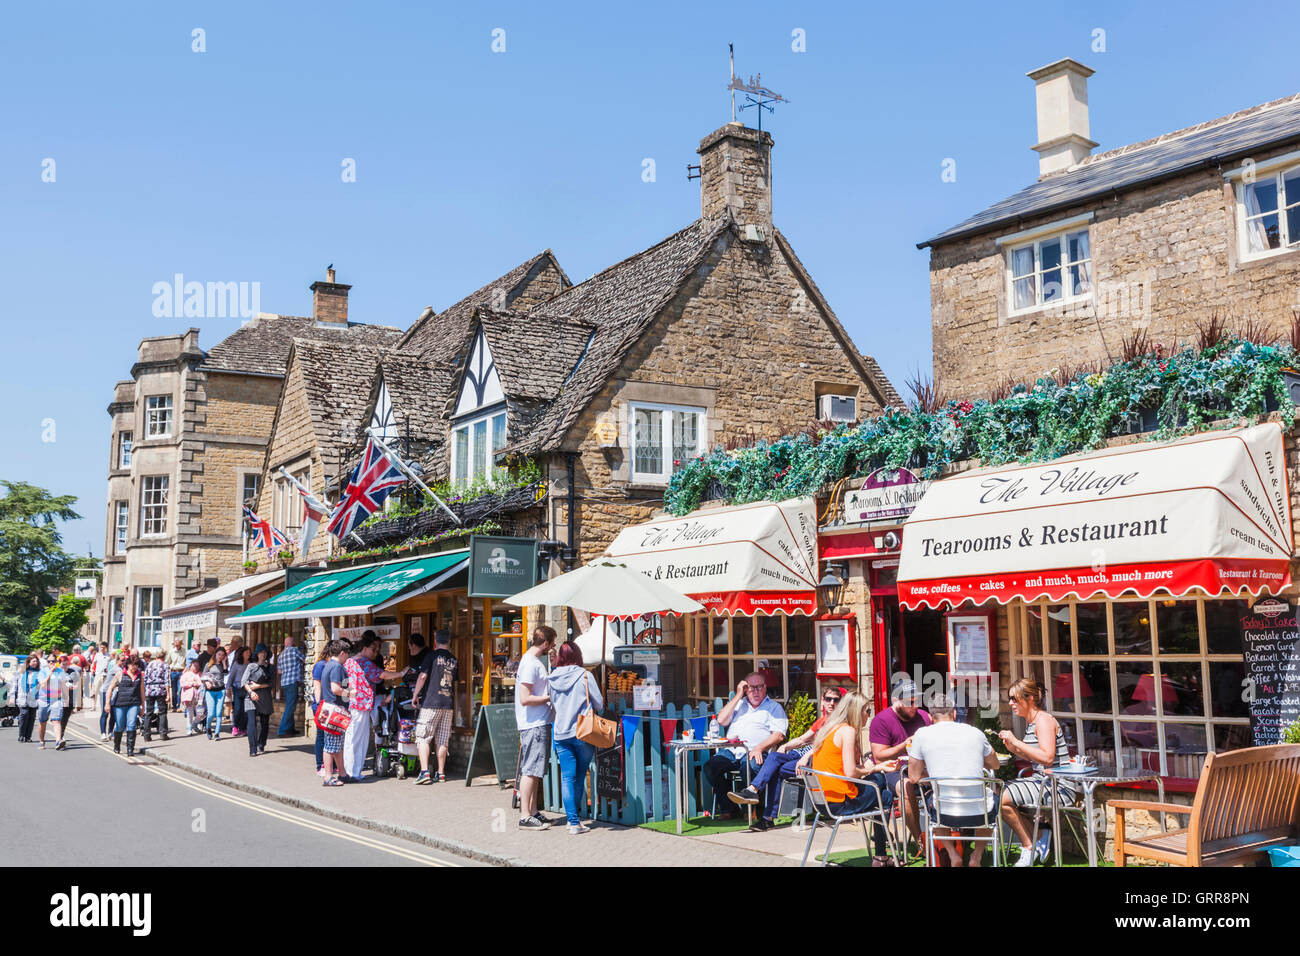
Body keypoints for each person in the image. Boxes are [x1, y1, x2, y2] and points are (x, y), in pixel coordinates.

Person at [729, 685, 845, 826]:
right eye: (828, 699)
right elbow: (802, 739)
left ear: (841, 703)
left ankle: (767, 818)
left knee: (776, 769)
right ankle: (753, 790)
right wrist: (784, 746)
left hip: (819, 761)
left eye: (836, 700)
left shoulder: (839, 723)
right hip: (803, 754)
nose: (831, 703)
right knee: (774, 757)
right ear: (823, 700)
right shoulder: (821, 721)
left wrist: (806, 756)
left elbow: (823, 746)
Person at [907, 695, 1001, 867]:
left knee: (935, 797)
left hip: (944, 812)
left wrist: (934, 775)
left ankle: (952, 854)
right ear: (955, 713)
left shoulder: (921, 734)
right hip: (980, 811)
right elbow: (995, 764)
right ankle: (977, 856)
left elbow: (913, 777)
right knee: (992, 799)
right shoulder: (974, 732)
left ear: (930, 716)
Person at [808, 690, 899, 865]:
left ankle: (881, 854)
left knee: (880, 785)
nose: (869, 716)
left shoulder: (829, 728)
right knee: (883, 789)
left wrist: (866, 769)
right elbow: (850, 773)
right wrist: (876, 767)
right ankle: (881, 856)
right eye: (868, 711)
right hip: (840, 802)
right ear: (857, 711)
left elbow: (842, 768)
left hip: (822, 801)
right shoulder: (847, 731)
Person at [998, 676, 1078, 867]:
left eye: (1014, 698)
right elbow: (1035, 757)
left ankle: (1028, 846)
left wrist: (1017, 742)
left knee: (1001, 799)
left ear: (1030, 698)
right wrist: (1013, 749)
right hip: (1041, 781)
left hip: (1058, 785)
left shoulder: (1043, 721)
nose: (1010, 703)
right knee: (996, 795)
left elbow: (1048, 757)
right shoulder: (1031, 722)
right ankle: (1039, 834)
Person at [704, 672, 789, 830]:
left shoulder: (773, 708)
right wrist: (738, 695)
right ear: (745, 689)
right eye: (751, 688)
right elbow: (721, 720)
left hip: (754, 750)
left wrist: (759, 748)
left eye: (759, 687)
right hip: (731, 750)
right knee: (711, 767)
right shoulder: (740, 703)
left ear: (765, 688)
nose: (756, 691)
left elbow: (779, 735)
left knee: (748, 767)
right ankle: (729, 808)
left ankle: (749, 810)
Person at [545, 640, 604, 834]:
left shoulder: (552, 678)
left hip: (561, 733)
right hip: (583, 732)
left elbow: (552, 704)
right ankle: (575, 820)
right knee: (579, 776)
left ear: (560, 657)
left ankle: (572, 821)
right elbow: (599, 703)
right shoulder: (585, 676)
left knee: (567, 778)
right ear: (577, 655)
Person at [869, 678, 932, 846]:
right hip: (893, 770)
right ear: (896, 701)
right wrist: (905, 744)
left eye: (917, 701)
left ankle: (952, 837)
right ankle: (921, 842)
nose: (915, 706)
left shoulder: (924, 717)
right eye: (910, 702)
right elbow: (879, 755)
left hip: (924, 768)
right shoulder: (881, 720)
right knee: (905, 786)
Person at [342, 632, 408, 781]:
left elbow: (344, 682)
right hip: (361, 705)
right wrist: (401, 673)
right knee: (358, 739)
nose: (375, 653)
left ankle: (351, 770)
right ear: (364, 648)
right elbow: (382, 675)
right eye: (373, 649)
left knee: (353, 738)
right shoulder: (364, 663)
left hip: (353, 704)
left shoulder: (350, 662)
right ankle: (353, 772)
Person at [515, 625, 556, 830]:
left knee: (536, 770)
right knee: (530, 770)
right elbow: (525, 698)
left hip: (539, 723)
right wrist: (548, 698)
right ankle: (524, 816)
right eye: (553, 643)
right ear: (546, 643)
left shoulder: (533, 661)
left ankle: (532, 812)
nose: (553, 647)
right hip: (534, 724)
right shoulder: (531, 663)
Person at [412, 629, 459, 785]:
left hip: (431, 702)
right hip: (448, 703)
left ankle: (425, 772)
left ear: (435, 641)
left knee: (423, 737)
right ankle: (441, 773)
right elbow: (455, 682)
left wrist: (415, 694)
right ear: (449, 641)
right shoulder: (454, 659)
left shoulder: (431, 656)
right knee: (443, 739)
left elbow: (423, 676)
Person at [318, 639, 351, 787]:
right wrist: (351, 694)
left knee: (336, 745)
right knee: (330, 746)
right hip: (335, 711)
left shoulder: (329, 665)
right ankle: (328, 777)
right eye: (347, 655)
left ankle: (342, 774)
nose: (348, 658)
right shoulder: (337, 667)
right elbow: (335, 688)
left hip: (331, 709)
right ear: (342, 653)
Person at [106, 656, 145, 757]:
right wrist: (107, 703)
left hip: (134, 703)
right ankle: (117, 745)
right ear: (128, 664)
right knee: (119, 726)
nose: (134, 667)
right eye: (132, 664)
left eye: (136, 665)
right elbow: (110, 688)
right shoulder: (120, 674)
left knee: (131, 725)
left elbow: (142, 691)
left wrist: (143, 707)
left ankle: (130, 749)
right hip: (120, 703)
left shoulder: (140, 675)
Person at [243, 643, 275, 756]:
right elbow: (244, 682)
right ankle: (252, 748)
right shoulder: (251, 666)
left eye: (265, 652)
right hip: (251, 697)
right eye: (261, 652)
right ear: (257, 654)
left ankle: (261, 743)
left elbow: (271, 683)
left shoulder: (270, 668)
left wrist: (258, 686)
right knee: (251, 723)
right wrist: (251, 692)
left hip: (264, 697)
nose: (263, 654)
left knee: (264, 723)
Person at [36, 656, 68, 751]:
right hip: (43, 700)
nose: (51, 663)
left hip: (56, 700)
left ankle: (58, 741)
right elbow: (43, 684)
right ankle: (41, 741)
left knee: (56, 721)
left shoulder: (60, 672)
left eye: (53, 661)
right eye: (49, 661)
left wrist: (66, 699)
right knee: (42, 722)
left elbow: (63, 685)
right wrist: (50, 673)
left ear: (56, 662)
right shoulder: (42, 671)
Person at [276, 634, 304, 737]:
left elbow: (279, 671)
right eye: (293, 642)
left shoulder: (281, 655)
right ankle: (282, 730)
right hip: (293, 681)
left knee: (290, 705)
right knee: (290, 707)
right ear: (291, 643)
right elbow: (305, 659)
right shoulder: (294, 650)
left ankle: (290, 729)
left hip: (284, 682)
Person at [142, 648, 171, 742]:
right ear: (164, 656)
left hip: (149, 690)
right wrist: (168, 694)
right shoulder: (165, 665)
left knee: (148, 712)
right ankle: (163, 733)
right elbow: (167, 680)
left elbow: (145, 678)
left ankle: (146, 735)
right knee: (162, 712)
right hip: (160, 689)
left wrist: (145, 689)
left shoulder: (150, 664)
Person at [202, 647, 229, 740]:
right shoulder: (208, 665)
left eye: (223, 655)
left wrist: (224, 662)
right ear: (215, 654)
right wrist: (206, 682)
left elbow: (226, 674)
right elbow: (203, 676)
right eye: (219, 654)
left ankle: (217, 733)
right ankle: (208, 727)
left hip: (221, 690)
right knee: (211, 713)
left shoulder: (224, 664)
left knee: (219, 713)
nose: (221, 656)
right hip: (210, 691)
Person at [14, 654, 41, 742]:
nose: (35, 663)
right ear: (28, 662)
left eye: (36, 661)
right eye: (33, 661)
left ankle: (28, 736)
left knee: (32, 717)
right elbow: (14, 683)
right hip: (23, 697)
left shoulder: (39, 672)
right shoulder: (21, 671)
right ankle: (21, 735)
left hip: (34, 698)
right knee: (24, 715)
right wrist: (12, 696)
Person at [98, 652, 121, 740]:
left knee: (113, 713)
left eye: (125, 660)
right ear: (117, 660)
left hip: (114, 692)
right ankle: (103, 733)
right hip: (105, 691)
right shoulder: (117, 669)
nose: (123, 662)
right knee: (105, 712)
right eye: (122, 660)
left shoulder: (120, 668)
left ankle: (110, 732)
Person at [226, 646, 249, 737]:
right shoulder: (236, 663)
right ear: (242, 654)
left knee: (245, 710)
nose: (248, 654)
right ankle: (235, 726)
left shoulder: (250, 664)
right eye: (246, 652)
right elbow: (231, 676)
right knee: (238, 709)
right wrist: (228, 687)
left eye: (249, 653)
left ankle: (243, 728)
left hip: (247, 688)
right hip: (237, 688)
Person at [180, 661, 204, 734]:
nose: (195, 667)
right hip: (188, 696)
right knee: (190, 713)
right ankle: (189, 727)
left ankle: (195, 723)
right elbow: (182, 684)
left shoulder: (199, 675)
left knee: (201, 713)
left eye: (197, 666)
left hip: (199, 697)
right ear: (190, 666)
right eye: (194, 666)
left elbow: (201, 684)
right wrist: (193, 683)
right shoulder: (186, 674)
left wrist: (197, 683)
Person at [167, 638, 186, 713]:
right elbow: (167, 662)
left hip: (181, 672)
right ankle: (174, 706)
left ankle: (179, 706)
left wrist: (185, 670)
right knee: (174, 691)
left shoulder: (184, 651)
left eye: (178, 644)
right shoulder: (171, 651)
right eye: (176, 644)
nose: (177, 646)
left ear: (181, 644)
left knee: (180, 690)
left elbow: (187, 662)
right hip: (173, 672)